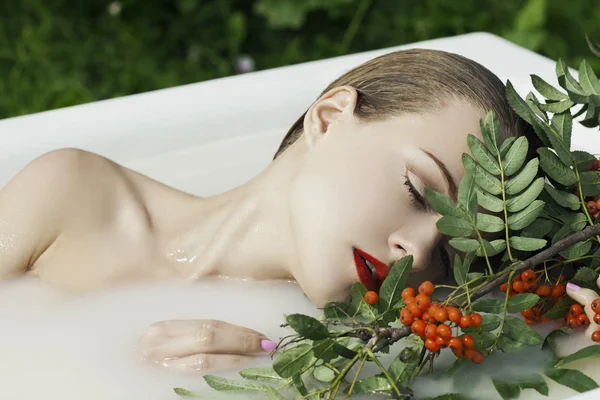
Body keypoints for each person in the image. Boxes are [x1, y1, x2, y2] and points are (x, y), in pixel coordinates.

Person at [0, 48, 593, 374]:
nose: (415, 252)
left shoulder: (369, 353)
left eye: (447, 253)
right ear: (330, 117)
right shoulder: (74, 196)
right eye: (418, 189)